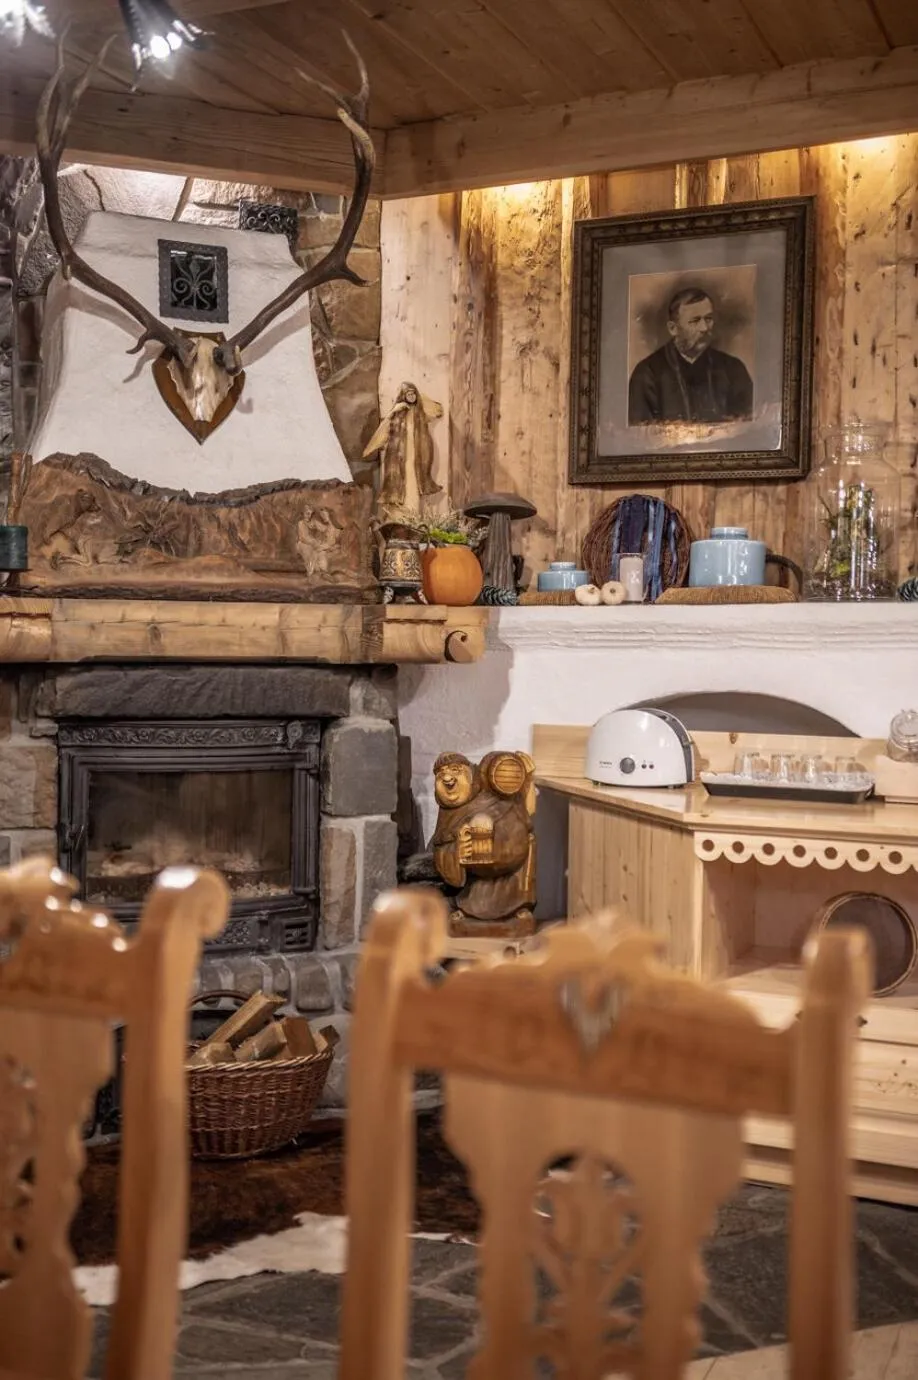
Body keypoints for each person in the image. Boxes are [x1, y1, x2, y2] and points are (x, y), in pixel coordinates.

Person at [628, 287, 753, 425]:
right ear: (673, 328)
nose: (704, 328)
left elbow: (746, 430)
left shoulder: (734, 370)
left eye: (708, 319)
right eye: (695, 321)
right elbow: (641, 438)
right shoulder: (647, 374)